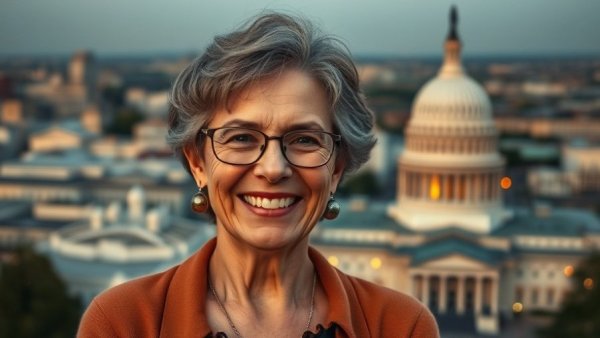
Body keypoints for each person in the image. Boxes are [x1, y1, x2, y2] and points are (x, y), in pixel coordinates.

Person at [78, 12, 439, 338]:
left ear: (337, 166)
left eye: (304, 139)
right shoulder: (123, 323)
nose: (273, 168)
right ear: (197, 163)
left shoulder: (400, 326)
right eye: (241, 138)